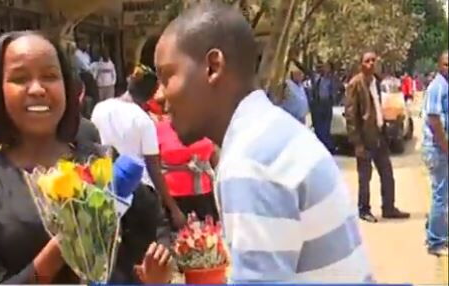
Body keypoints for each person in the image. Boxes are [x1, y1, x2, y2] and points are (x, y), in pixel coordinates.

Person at [154, 1, 372, 282]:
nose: (159, 96)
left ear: (212, 67)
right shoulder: (271, 135)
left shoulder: (250, 160)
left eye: (167, 76)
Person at [0, 31, 172, 284]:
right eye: (20, 78)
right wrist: (63, 248)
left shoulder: (102, 163)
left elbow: (156, 228)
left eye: (49, 76)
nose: (37, 89)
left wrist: (156, 271)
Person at [91, 64, 186, 230]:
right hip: (139, 194)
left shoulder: (100, 108)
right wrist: (174, 209)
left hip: (106, 188)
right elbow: (153, 168)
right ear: (150, 94)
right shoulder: (143, 120)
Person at [345, 51, 410, 223]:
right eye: (367, 61)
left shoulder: (377, 81)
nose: (371, 63)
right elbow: (351, 116)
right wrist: (357, 143)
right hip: (365, 139)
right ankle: (364, 209)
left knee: (387, 174)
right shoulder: (355, 84)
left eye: (374, 60)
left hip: (379, 136)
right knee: (365, 178)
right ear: (361, 64)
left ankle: (389, 208)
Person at [422, 51, 448, 257]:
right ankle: (436, 241)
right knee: (441, 194)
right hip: (438, 149)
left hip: (441, 148)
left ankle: (434, 231)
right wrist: (446, 147)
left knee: (441, 193)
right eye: (447, 65)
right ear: (440, 65)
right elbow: (434, 120)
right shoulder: (438, 87)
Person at [309, 62, 336, 152]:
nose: (325, 68)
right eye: (324, 66)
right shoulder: (317, 78)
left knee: (326, 127)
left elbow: (340, 89)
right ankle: (319, 146)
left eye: (327, 67)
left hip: (327, 104)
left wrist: (334, 99)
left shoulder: (332, 79)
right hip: (317, 104)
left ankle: (326, 147)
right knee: (318, 127)